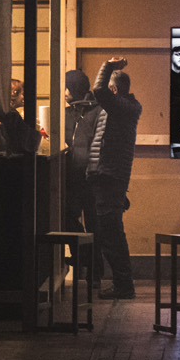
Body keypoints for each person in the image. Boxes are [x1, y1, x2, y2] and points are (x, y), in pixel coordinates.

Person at [89, 57, 142, 299]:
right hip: (107, 177)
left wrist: (108, 65)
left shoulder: (123, 108)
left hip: (110, 177)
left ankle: (124, 286)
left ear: (113, 89)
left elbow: (98, 91)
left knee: (111, 234)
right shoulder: (120, 109)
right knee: (110, 232)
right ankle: (123, 284)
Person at [61, 69, 101, 280]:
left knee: (94, 224)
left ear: (73, 88)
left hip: (91, 177)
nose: (64, 92)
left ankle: (95, 272)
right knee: (67, 217)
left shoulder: (97, 112)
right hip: (72, 177)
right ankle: (84, 257)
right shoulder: (67, 113)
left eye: (66, 87)